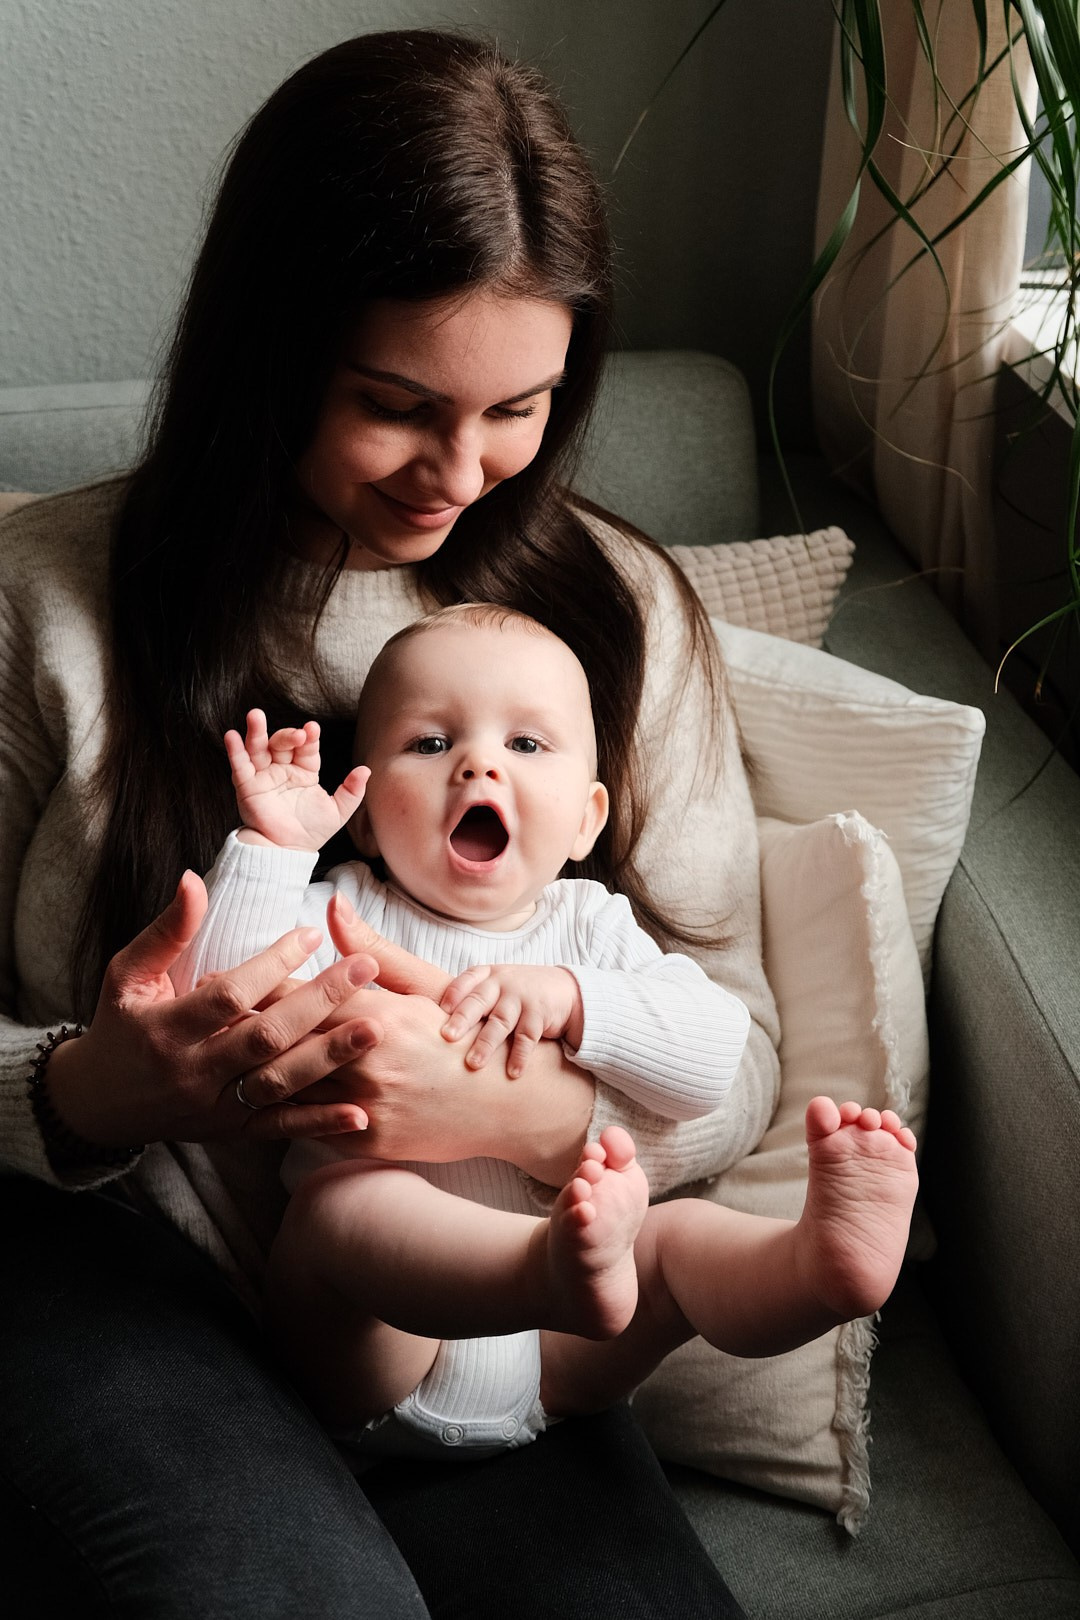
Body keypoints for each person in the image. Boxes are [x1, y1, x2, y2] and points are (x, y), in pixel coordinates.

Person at [0, 26, 787, 1620]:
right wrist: (89, 1090)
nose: (462, 473)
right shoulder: (44, 608)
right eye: (396, 405)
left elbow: (743, 1055)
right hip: (118, 1288)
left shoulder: (615, 611)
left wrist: (505, 1122)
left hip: (492, 1296)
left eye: (523, 409)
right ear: (269, 349)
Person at [176, 605, 918, 1463]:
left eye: (526, 746)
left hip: (558, 1365)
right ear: (368, 817)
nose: (478, 763)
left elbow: (711, 1058)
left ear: (585, 821)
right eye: (429, 744)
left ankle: (812, 1275)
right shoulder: (343, 911)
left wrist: (575, 1000)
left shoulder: (593, 933)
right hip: (372, 1356)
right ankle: (544, 1268)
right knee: (344, 1211)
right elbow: (218, 1007)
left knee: (673, 1249)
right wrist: (272, 849)